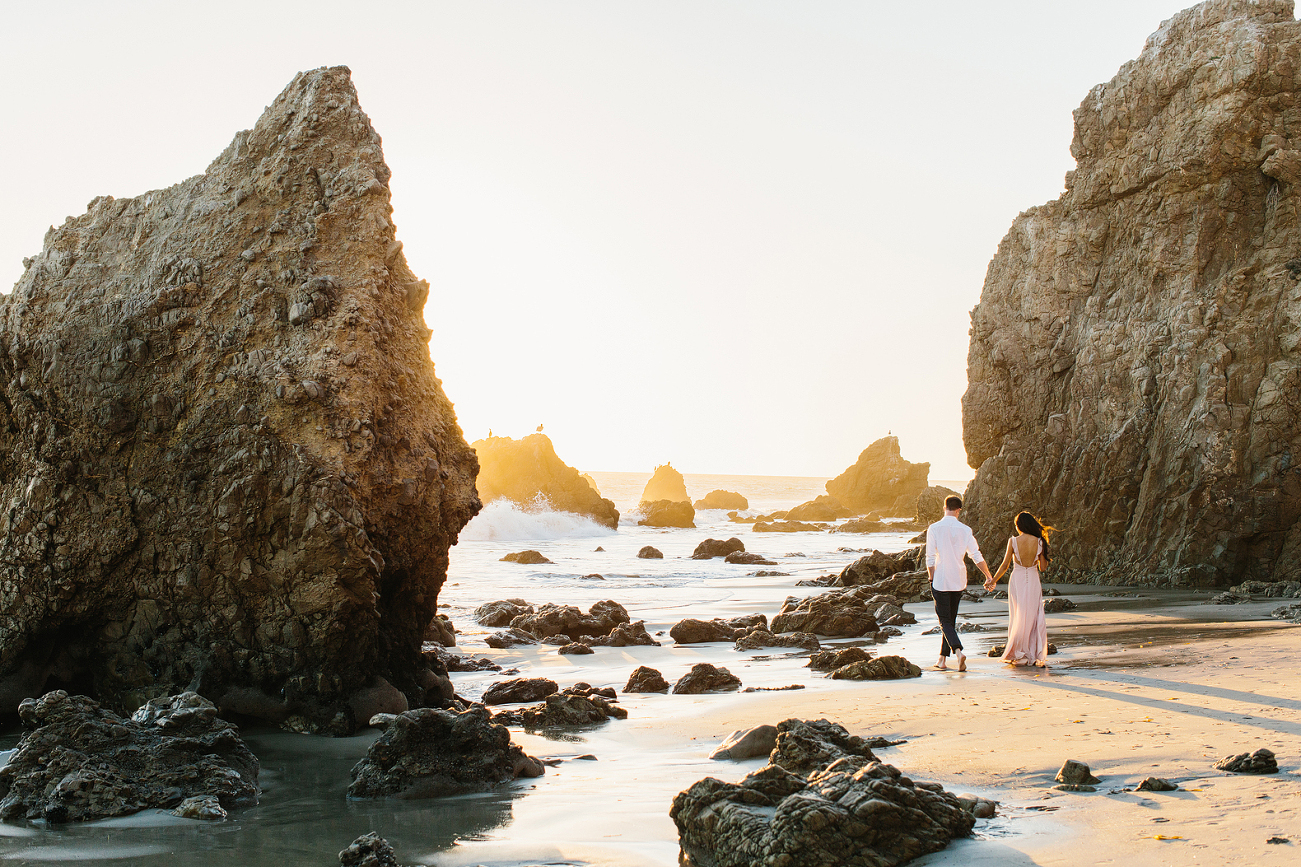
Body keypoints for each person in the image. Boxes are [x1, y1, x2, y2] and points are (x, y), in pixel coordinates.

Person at [925, 495, 993, 671]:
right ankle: (942, 659)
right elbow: (976, 555)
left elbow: (930, 558)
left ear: (944, 507)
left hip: (941, 579)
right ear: (959, 510)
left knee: (944, 621)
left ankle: (958, 652)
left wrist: (931, 577)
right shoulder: (965, 530)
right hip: (959, 579)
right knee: (950, 620)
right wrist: (988, 576)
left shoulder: (934, 528)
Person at [986, 511, 1053, 668]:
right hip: (1033, 579)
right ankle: (1034, 653)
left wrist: (992, 581)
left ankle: (1019, 653)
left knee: (1018, 615)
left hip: (1017, 580)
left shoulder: (1013, 541)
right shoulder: (1039, 541)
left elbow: (1004, 565)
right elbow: (1043, 568)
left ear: (1019, 526)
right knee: (1034, 615)